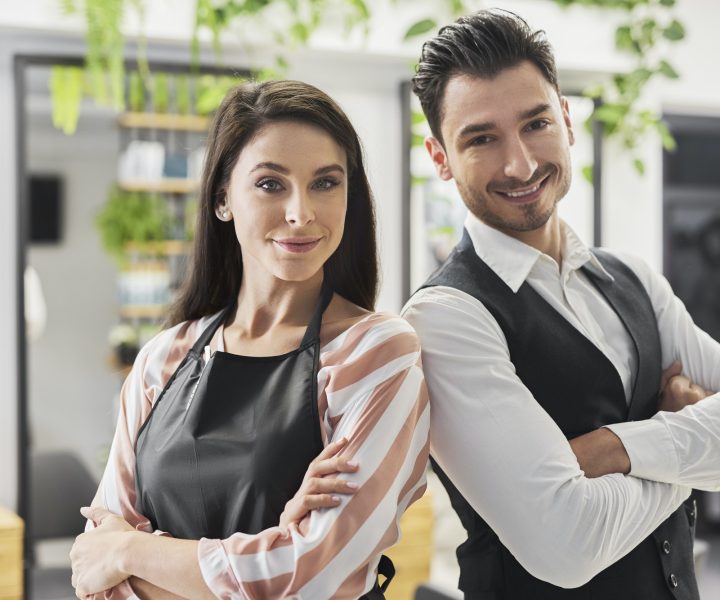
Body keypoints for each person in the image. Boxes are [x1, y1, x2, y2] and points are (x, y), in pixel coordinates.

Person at [398, 9, 720, 600]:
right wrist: (687, 440)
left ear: (567, 120)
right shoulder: (444, 318)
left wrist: (617, 448)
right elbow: (567, 545)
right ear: (440, 157)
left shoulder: (635, 280)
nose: (520, 163)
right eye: (481, 138)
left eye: (535, 124)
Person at [69, 80, 430, 599]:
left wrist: (132, 553)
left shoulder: (376, 354)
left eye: (326, 183)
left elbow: (314, 579)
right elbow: (93, 575)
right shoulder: (162, 360)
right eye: (270, 184)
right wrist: (267, 552)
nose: (301, 212)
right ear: (222, 199)